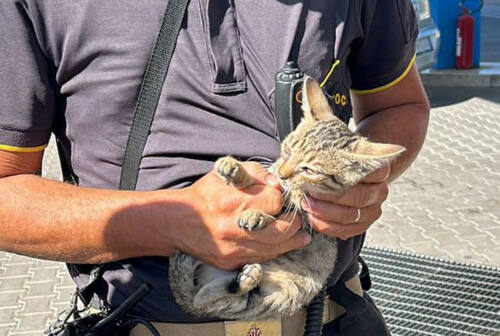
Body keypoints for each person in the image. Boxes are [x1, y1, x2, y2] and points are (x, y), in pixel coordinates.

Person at [0, 0, 429, 334]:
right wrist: (170, 223)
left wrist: (366, 181)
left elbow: (401, 105)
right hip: (144, 322)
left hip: (334, 315)